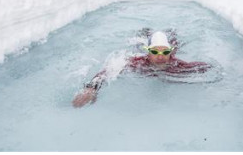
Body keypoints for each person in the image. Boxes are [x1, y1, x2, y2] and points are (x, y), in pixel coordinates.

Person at [72, 30, 212, 108]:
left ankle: (171, 35)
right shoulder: (138, 62)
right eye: (155, 52)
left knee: (174, 39)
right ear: (148, 52)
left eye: (165, 52)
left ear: (170, 52)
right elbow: (110, 70)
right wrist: (91, 89)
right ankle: (146, 33)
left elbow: (205, 68)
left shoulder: (177, 65)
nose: (160, 56)